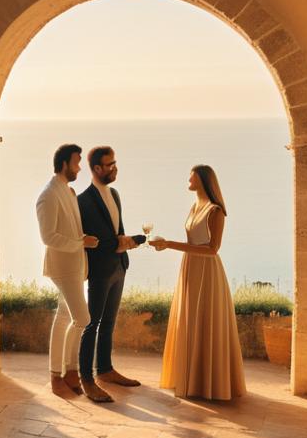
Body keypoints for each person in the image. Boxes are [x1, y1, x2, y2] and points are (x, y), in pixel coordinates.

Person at [151, 164, 246, 401]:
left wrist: (169, 244)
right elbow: (193, 241)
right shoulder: (195, 206)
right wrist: (169, 245)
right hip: (190, 267)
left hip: (207, 271)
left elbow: (213, 249)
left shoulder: (216, 211)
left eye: (191, 176)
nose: (188, 179)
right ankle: (192, 380)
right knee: (189, 320)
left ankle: (210, 384)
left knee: (205, 320)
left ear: (202, 180)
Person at [77, 146, 141, 402]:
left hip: (119, 266)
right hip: (100, 270)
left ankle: (105, 369)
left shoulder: (114, 194)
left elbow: (117, 230)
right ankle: (87, 379)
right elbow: (85, 240)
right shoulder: (82, 201)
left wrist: (125, 244)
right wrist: (115, 244)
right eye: (110, 165)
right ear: (96, 169)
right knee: (91, 324)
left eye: (115, 163)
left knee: (109, 323)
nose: (115, 168)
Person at [35, 143, 99, 398]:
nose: (80, 167)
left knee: (64, 317)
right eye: (76, 163)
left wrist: (82, 239)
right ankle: (58, 375)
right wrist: (80, 243)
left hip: (74, 265)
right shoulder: (48, 195)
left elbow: (69, 229)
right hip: (63, 268)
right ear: (64, 164)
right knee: (82, 319)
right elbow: (48, 237)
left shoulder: (67, 192)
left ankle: (67, 373)